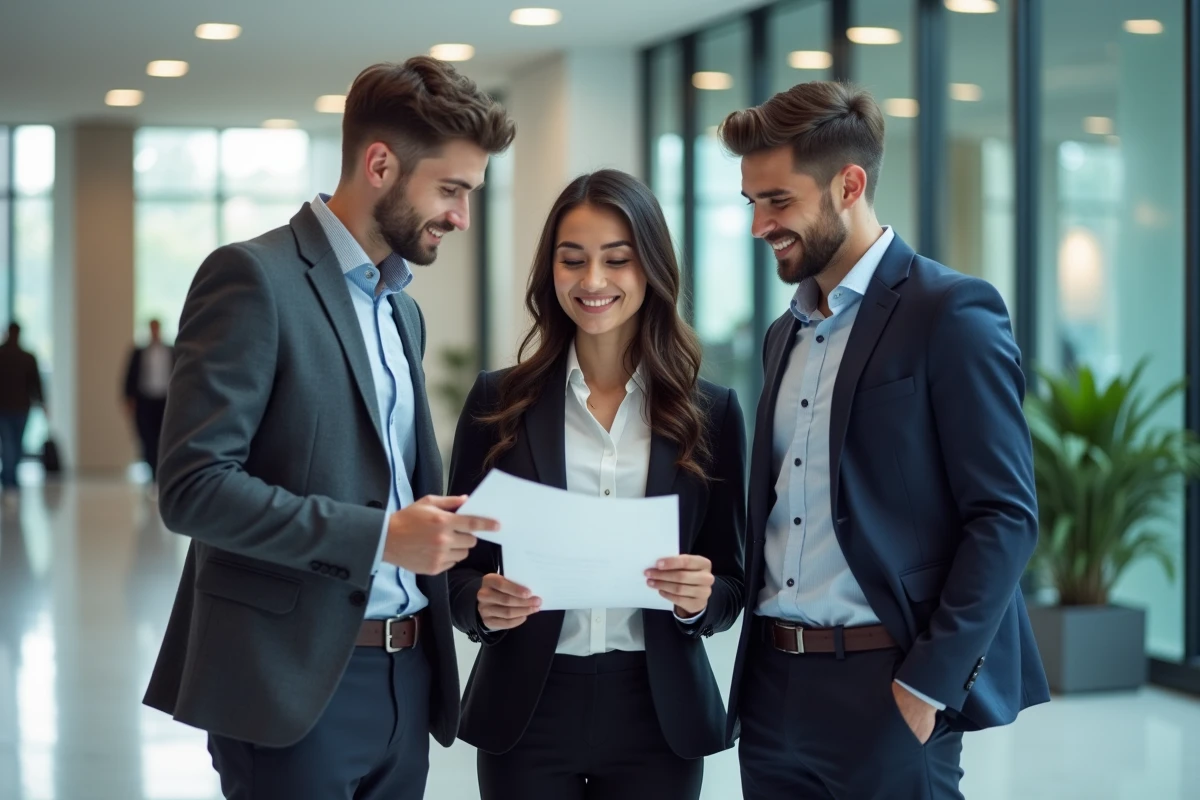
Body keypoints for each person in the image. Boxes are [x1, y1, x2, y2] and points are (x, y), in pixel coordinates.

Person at [143, 57, 514, 800]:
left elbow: (388, 481)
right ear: (380, 164)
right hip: (290, 687)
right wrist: (381, 538)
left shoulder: (401, 309)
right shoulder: (252, 279)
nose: (461, 217)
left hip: (407, 680)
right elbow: (194, 489)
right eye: (451, 190)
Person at [719, 81, 1050, 799]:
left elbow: (1004, 517)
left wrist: (928, 684)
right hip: (773, 688)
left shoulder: (951, 312)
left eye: (778, 202)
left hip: (888, 684)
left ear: (849, 183)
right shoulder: (785, 334)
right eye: (752, 203)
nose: (759, 226)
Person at [447, 170, 746, 800]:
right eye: (572, 260)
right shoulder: (498, 401)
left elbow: (733, 583)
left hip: (657, 711)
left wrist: (700, 596)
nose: (593, 282)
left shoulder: (710, 412)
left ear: (652, 271)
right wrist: (479, 602)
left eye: (617, 260)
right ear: (549, 272)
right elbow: (455, 569)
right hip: (529, 707)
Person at [123, 318, 174, 483]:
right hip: (145, 400)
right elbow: (129, 377)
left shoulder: (171, 351)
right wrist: (129, 400)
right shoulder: (139, 352)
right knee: (146, 436)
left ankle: (162, 470)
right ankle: (152, 470)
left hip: (165, 400)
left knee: (164, 436)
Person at [0, 322, 45, 497]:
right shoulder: (27, 357)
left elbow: (35, 383)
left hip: (6, 407)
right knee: (15, 444)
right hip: (20, 407)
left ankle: (9, 479)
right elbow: (36, 384)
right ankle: (11, 480)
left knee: (10, 444)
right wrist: (42, 403)